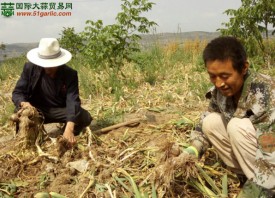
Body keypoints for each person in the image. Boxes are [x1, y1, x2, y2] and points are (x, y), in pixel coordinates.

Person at [182, 36, 275, 197]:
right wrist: (192, 150)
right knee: (210, 122)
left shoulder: (266, 94)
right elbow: (205, 123)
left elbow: (269, 153)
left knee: (237, 127)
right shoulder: (220, 92)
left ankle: (263, 189)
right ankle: (250, 181)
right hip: (261, 158)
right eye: (213, 76)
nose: (218, 83)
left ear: (244, 68)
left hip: (271, 156)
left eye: (225, 76)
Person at [12, 38, 92, 145]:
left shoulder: (70, 74)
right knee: (22, 114)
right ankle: (29, 137)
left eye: (51, 65)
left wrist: (69, 128)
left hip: (58, 110)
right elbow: (18, 92)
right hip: (36, 110)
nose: (47, 68)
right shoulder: (30, 69)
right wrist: (24, 103)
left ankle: (65, 134)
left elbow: (73, 100)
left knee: (84, 116)